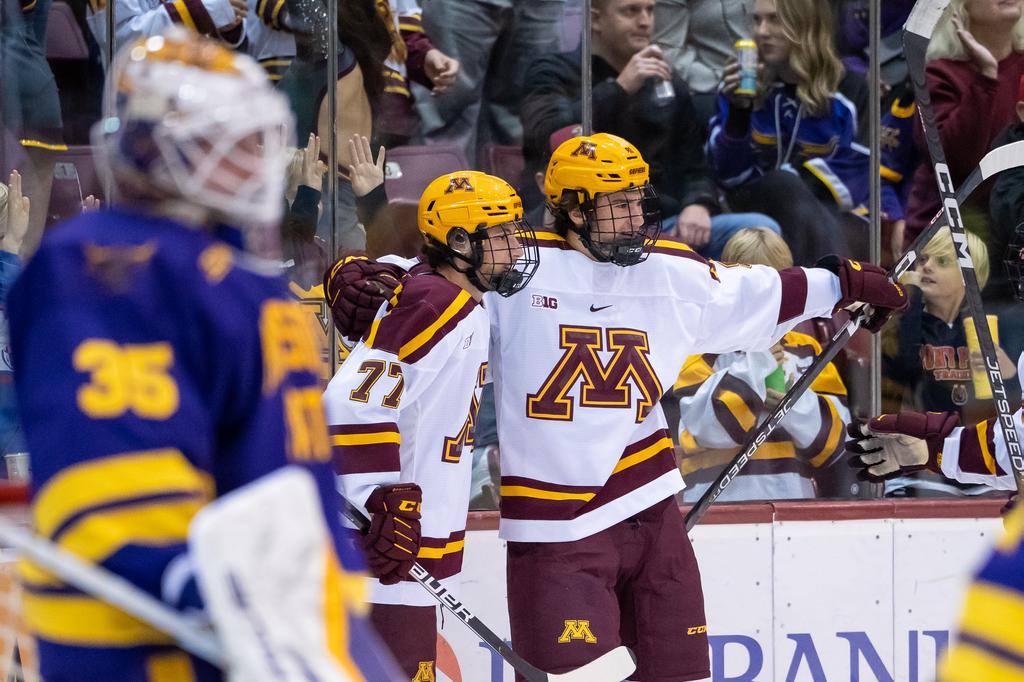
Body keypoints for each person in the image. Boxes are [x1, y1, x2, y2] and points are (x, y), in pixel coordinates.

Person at [330, 132, 909, 680]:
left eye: (638, 199)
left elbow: (757, 292)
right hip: (554, 531)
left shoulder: (669, 271)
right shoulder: (514, 270)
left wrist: (841, 282)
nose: (637, 216)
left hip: (651, 507)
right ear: (575, 210)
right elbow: (426, 283)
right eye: (619, 203)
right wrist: (357, 275)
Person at [7, 31, 396, 681]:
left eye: (257, 140)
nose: (255, 161)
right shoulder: (104, 265)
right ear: (147, 149)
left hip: (285, 628)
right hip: (168, 643)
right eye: (225, 141)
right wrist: (245, 608)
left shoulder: (243, 274)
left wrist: (332, 616)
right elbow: (111, 481)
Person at [325, 170, 538, 680]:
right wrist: (378, 501)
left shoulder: (456, 299)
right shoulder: (439, 305)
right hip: (381, 554)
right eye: (502, 236)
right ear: (461, 243)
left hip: (405, 553)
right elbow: (349, 405)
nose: (515, 248)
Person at [520, 0, 777, 259]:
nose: (645, 21)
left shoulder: (664, 80)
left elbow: (695, 166)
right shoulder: (553, 71)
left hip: (664, 222)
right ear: (595, 20)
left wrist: (697, 203)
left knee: (762, 230)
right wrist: (619, 89)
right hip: (586, 227)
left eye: (650, 10)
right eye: (630, 11)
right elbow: (546, 135)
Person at [675, 228, 850, 501]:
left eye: (777, 292)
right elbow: (707, 431)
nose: (767, 305)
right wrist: (759, 365)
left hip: (796, 510)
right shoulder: (701, 349)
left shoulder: (808, 350)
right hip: (716, 510)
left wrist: (790, 404)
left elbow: (836, 445)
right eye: (755, 292)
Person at [707, 0, 886, 265]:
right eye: (757, 21)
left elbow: (859, 171)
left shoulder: (851, 89)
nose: (762, 31)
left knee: (856, 225)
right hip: (754, 206)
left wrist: (797, 185)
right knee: (783, 185)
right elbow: (729, 177)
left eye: (775, 20)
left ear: (806, 25)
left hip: (830, 209)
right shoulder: (738, 85)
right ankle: (831, 299)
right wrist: (738, 113)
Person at [902, 0, 1024, 249]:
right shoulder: (939, 75)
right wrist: (986, 77)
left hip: (1013, 229)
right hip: (949, 242)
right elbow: (955, 163)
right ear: (958, 6)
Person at [884, 227, 1019, 425]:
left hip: (958, 434)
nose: (927, 266)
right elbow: (908, 362)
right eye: (923, 259)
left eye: (942, 261)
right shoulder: (906, 319)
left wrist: (1007, 371)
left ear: (968, 276)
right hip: (912, 433)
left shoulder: (977, 326)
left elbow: (1000, 392)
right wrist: (913, 295)